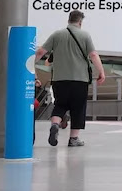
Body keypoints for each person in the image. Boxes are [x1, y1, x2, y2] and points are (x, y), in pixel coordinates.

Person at [39, 10, 104, 148]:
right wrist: (101, 72)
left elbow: (41, 52)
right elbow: (93, 55)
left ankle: (55, 124)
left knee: (60, 105)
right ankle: (73, 139)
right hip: (79, 79)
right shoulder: (85, 35)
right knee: (78, 108)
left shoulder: (57, 34)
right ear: (80, 21)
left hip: (59, 79)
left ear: (68, 20)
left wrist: (27, 65)